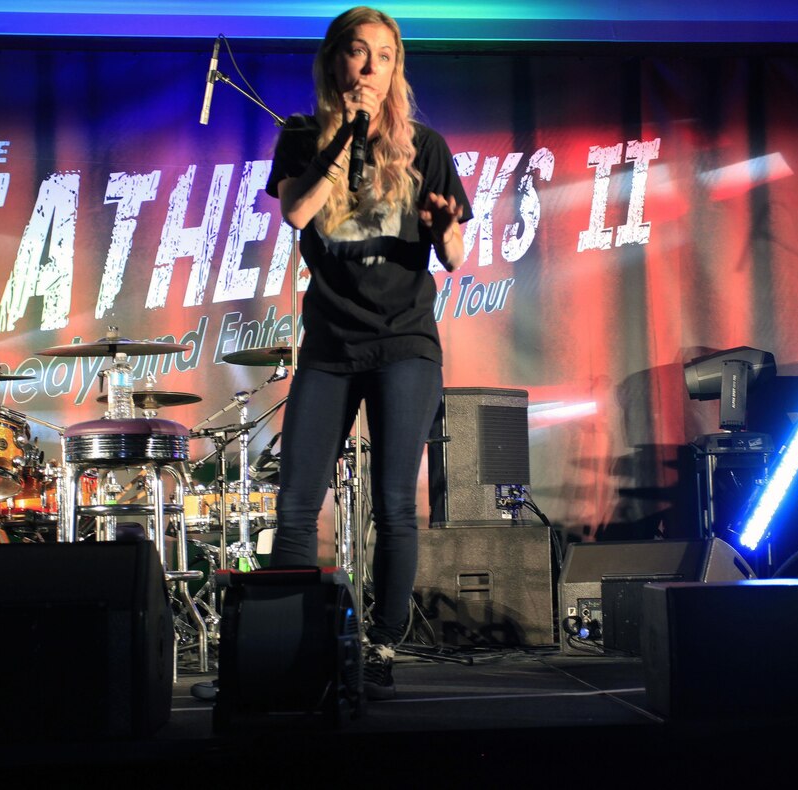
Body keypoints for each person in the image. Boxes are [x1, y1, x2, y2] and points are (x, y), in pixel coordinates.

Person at [265, 6, 471, 700]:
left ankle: (382, 644)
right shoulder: (299, 139)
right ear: (336, 64)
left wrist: (445, 231)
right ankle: (287, 645)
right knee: (296, 503)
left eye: (383, 56)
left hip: (405, 341)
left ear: (395, 70)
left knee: (394, 504)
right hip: (330, 342)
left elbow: (455, 253)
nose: (369, 68)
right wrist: (344, 137)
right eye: (357, 54)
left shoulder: (426, 145)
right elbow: (297, 213)